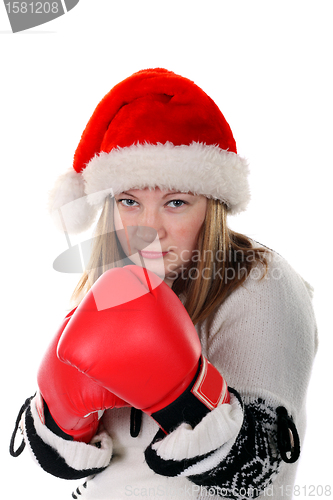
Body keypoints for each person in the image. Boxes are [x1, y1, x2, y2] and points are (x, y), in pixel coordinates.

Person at [10, 68, 317, 499]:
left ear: (211, 208)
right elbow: (76, 465)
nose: (149, 229)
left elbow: (264, 465)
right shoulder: (115, 286)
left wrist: (185, 396)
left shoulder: (261, 284)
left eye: (176, 203)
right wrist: (62, 418)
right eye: (130, 201)